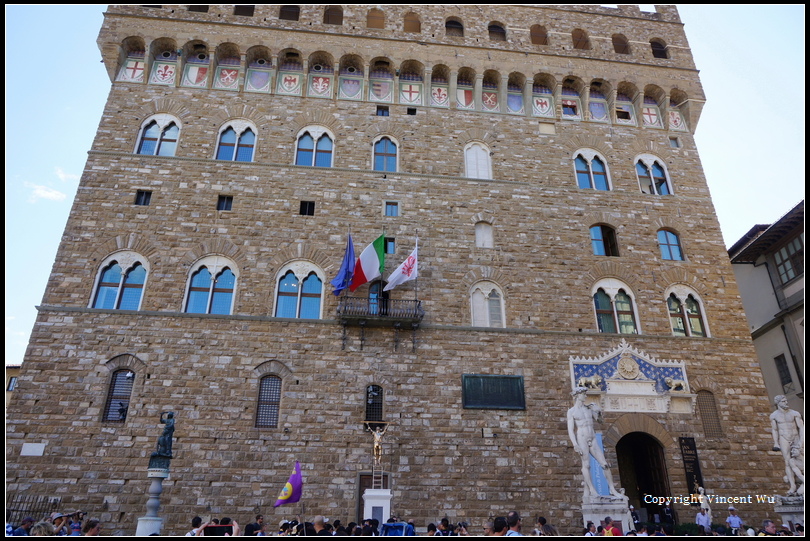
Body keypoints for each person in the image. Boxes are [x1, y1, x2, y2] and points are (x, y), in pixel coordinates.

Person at [567, 387, 625, 499]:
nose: (585, 396)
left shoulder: (589, 409)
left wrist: (598, 411)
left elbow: (600, 421)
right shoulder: (571, 412)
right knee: (586, 465)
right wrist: (575, 444)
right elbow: (570, 429)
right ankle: (592, 490)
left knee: (605, 465)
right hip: (582, 438)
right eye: (584, 394)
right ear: (577, 395)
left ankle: (612, 489)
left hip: (592, 437)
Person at [770, 395, 805, 494]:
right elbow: (775, 430)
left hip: (795, 436)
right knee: (787, 462)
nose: (786, 403)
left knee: (802, 458)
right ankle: (793, 486)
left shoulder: (795, 413)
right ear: (778, 403)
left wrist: (801, 442)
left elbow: (801, 428)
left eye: (786, 401)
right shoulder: (774, 415)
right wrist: (776, 443)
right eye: (783, 401)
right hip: (784, 438)